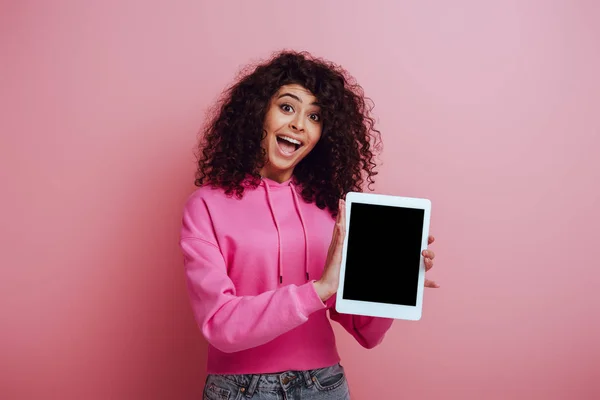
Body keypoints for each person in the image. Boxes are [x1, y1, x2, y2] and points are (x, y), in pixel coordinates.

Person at [179, 50, 438, 400]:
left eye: (314, 116)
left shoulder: (331, 208)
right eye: (287, 107)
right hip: (240, 390)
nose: (299, 124)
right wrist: (318, 290)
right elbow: (220, 324)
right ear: (257, 113)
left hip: (323, 385)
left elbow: (364, 332)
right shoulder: (206, 206)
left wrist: (395, 285)